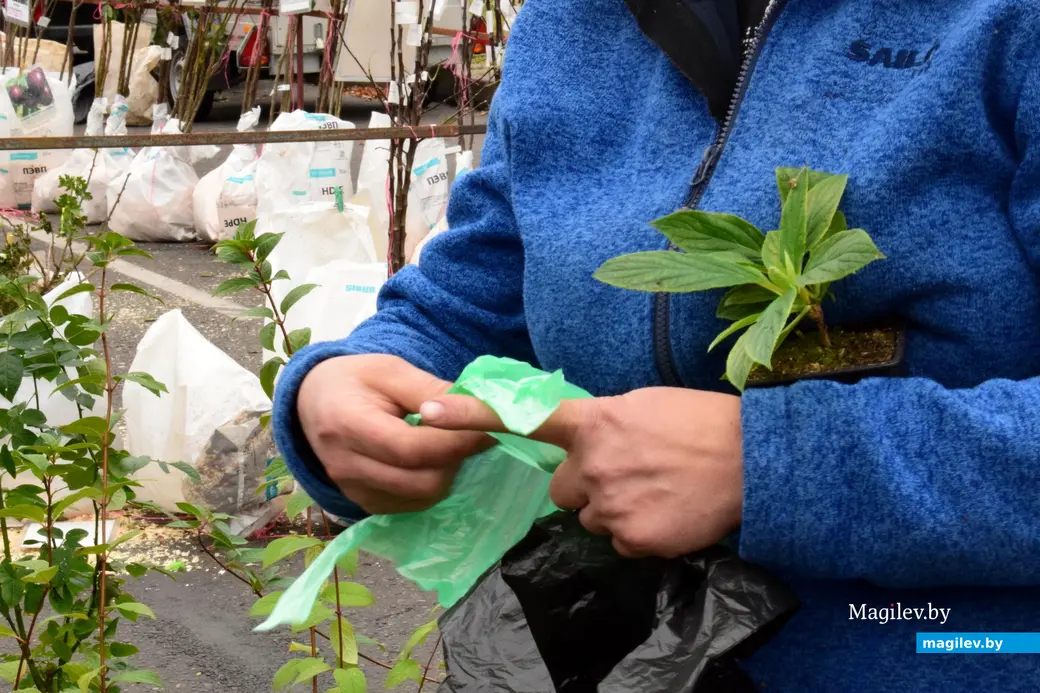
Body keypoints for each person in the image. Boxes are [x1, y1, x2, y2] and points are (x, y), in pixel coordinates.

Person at [273, 0, 1040, 689]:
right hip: (620, 651)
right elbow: (493, 270)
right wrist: (351, 379)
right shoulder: (572, 18)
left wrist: (770, 463)